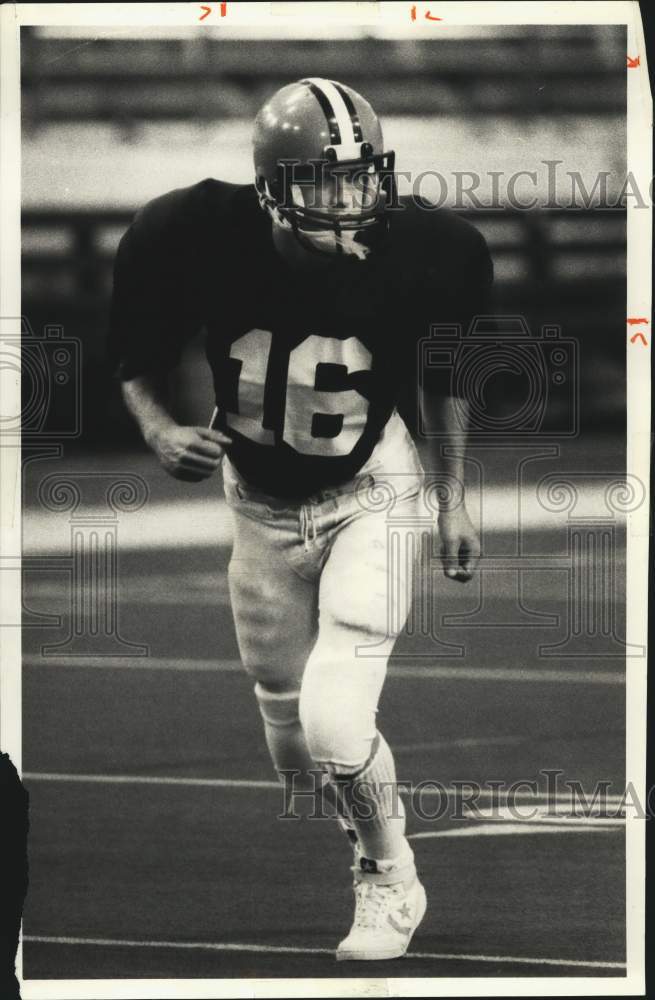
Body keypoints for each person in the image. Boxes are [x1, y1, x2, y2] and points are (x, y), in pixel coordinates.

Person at [109, 77, 491, 961]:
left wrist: (452, 498)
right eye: (322, 182)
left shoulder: (433, 249)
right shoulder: (190, 232)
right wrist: (160, 428)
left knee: (333, 724)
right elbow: (136, 352)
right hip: (258, 505)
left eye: (360, 179)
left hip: (372, 489)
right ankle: (367, 838)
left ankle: (391, 876)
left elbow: (442, 379)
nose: (348, 200)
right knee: (293, 753)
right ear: (270, 185)